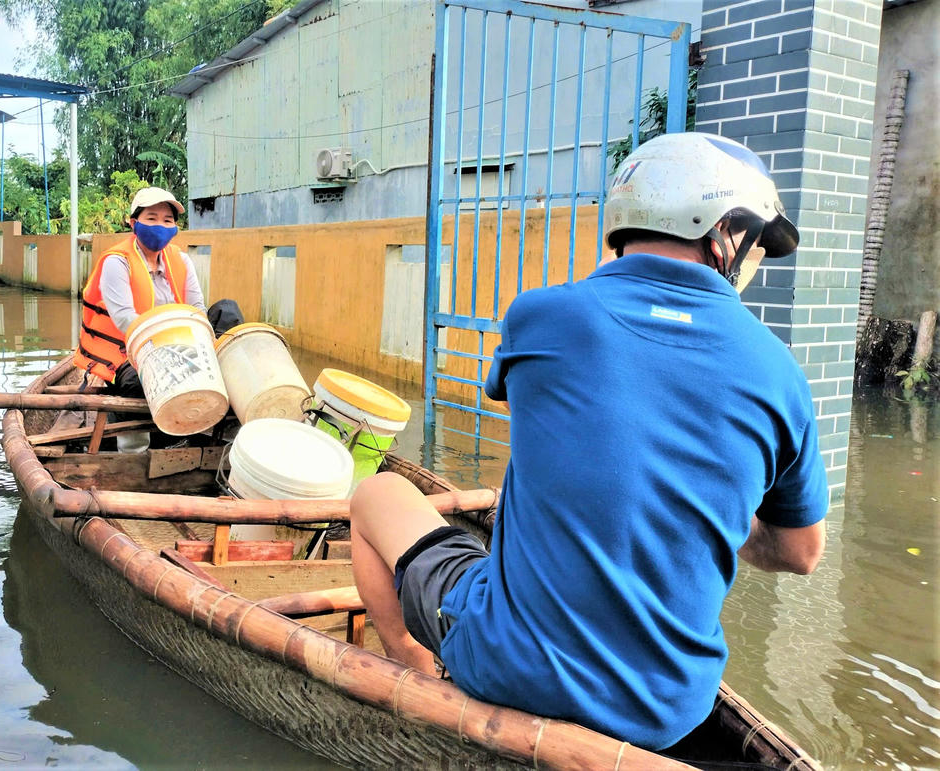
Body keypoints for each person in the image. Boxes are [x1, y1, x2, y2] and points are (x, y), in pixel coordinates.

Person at [349, 132, 829, 751]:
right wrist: (718, 511)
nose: (754, 260)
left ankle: (419, 684)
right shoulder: (779, 369)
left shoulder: (541, 317)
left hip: (507, 668)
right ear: (721, 232)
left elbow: (545, 403)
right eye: (755, 242)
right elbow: (801, 552)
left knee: (377, 493)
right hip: (670, 709)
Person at [73, 186, 207, 398]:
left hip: (179, 347)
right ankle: (132, 423)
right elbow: (126, 320)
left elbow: (197, 308)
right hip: (127, 355)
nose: (160, 225)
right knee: (142, 383)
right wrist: (166, 352)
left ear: (174, 227)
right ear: (134, 224)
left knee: (226, 311)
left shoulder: (181, 260)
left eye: (167, 220)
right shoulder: (117, 262)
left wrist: (195, 346)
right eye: (151, 218)